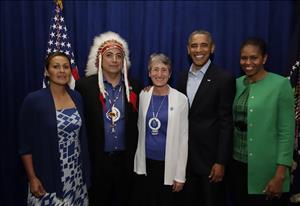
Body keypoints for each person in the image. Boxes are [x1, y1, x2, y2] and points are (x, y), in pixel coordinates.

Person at [75, 31, 141, 206]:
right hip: (97, 161)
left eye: (119, 56)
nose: (114, 60)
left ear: (124, 61)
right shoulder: (85, 86)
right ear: (99, 59)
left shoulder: (135, 86)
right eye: (109, 55)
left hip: (126, 161)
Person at [228, 37, 294, 206]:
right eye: (244, 58)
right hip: (237, 166)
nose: (248, 62)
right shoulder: (236, 84)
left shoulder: (280, 85)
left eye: (254, 57)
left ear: (264, 58)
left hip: (267, 169)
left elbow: (286, 132)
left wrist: (280, 175)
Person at [18, 51, 90, 205]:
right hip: (48, 176)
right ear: (46, 71)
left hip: (76, 175)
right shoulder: (33, 100)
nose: (62, 71)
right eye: (56, 66)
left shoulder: (77, 97)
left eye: (66, 67)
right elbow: (25, 145)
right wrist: (32, 178)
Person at [177, 29, 236, 206]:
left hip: (211, 163)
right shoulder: (181, 78)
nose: (198, 50)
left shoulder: (224, 78)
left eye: (204, 45)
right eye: (194, 46)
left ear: (212, 48)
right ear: (188, 49)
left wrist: (221, 161)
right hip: (185, 161)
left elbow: (227, 124)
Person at [134, 53, 189, 206]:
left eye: (164, 70)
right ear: (149, 73)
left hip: (168, 164)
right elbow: (139, 127)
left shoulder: (181, 99)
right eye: (155, 69)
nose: (159, 74)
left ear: (170, 74)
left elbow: (184, 139)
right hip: (145, 163)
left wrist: (180, 175)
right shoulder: (143, 95)